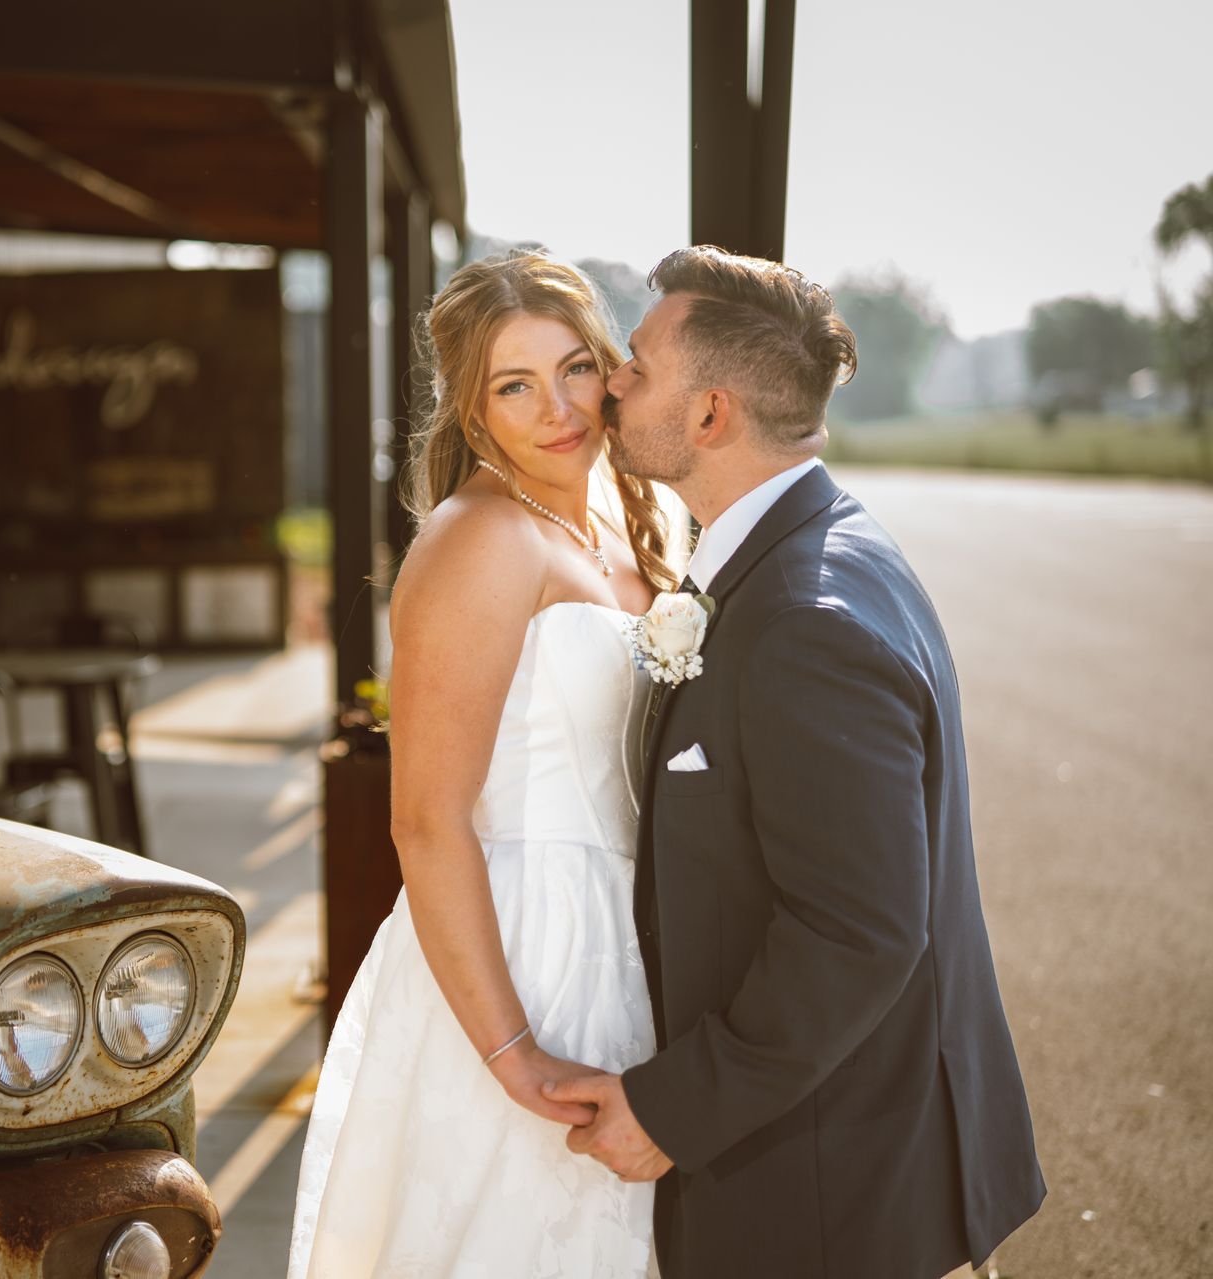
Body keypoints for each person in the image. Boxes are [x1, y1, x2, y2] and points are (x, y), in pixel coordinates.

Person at [545, 245, 1046, 1277]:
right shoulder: (824, 545)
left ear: (712, 414)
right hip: (838, 1165)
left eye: (637, 362)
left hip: (839, 1192)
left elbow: (856, 930)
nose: (613, 378)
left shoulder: (804, 623)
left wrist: (676, 1112)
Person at [288, 250, 679, 1277]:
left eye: (574, 369)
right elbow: (425, 820)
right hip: (524, 952)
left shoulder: (620, 525)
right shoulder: (478, 541)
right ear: (472, 412)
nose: (558, 407)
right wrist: (513, 1053)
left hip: (632, 937)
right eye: (515, 385)